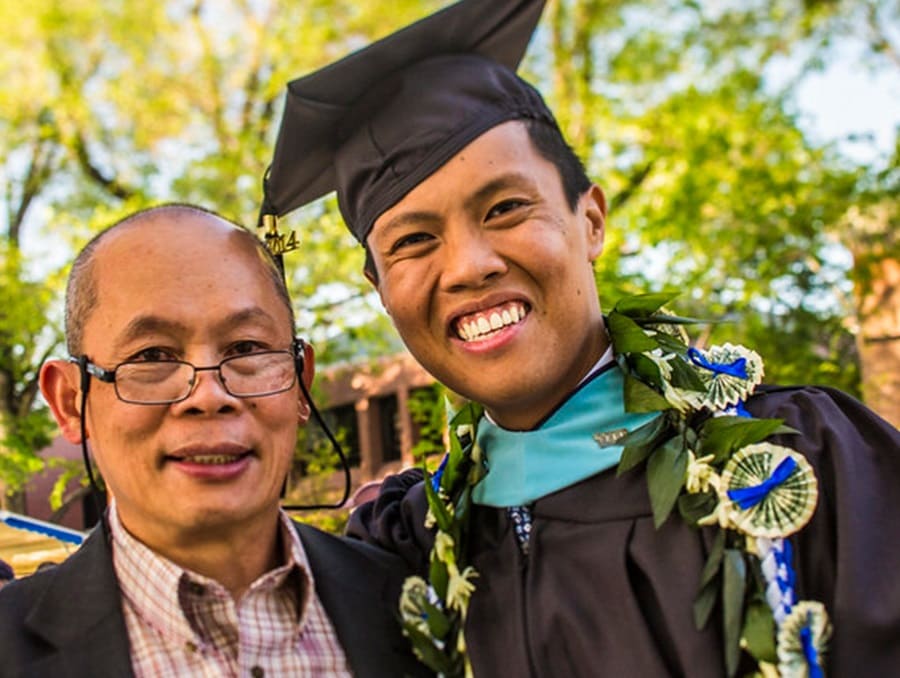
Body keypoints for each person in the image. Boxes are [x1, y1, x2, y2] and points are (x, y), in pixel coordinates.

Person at [258, 1, 900, 676]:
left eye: (505, 208)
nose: (470, 264)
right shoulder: (406, 549)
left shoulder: (805, 461)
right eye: (415, 241)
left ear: (591, 220)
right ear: (379, 285)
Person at [0, 205, 431, 678]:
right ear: (71, 402)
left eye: (246, 348)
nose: (210, 396)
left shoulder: (416, 608)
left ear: (301, 383)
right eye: (153, 356)